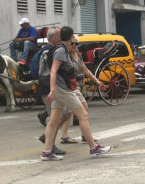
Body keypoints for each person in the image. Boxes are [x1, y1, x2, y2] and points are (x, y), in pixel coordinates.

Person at [42, 26, 111, 161]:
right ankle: (94, 148)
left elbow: (82, 69)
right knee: (83, 115)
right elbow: (53, 71)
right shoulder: (61, 51)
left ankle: (47, 152)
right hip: (63, 89)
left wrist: (96, 81)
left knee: (54, 119)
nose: (75, 43)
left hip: (61, 88)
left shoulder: (65, 50)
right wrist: (51, 90)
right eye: (73, 39)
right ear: (70, 37)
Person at [58, 35, 105, 143]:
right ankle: (67, 136)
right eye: (72, 43)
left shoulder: (77, 53)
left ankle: (78, 135)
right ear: (67, 44)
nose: (74, 45)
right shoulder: (64, 55)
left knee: (75, 110)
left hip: (78, 84)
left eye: (76, 43)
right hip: (69, 86)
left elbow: (85, 69)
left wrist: (97, 81)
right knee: (72, 111)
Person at [35, 27, 71, 155]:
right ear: (53, 37)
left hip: (52, 87)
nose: (61, 37)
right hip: (48, 87)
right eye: (59, 35)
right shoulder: (49, 51)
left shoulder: (50, 50)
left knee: (66, 114)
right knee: (55, 119)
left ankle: (47, 138)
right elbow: (48, 71)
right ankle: (50, 146)